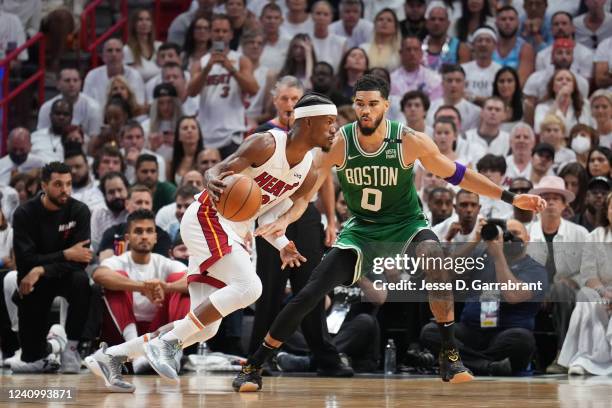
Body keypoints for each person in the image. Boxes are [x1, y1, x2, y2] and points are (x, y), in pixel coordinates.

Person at [236, 74, 546, 391]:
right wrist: (285, 220)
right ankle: (255, 363)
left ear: (386, 104)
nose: (365, 111)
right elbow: (305, 195)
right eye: (359, 105)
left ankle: (450, 355)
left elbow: (458, 175)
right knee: (310, 292)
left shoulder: (408, 139)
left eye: (372, 104)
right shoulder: (339, 142)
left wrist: (509, 197)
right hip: (361, 231)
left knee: (434, 258)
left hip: (406, 225)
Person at [86, 93, 339, 391]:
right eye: (330, 122)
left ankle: (113, 356)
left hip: (235, 231)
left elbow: (272, 213)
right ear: (308, 122)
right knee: (251, 288)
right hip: (208, 216)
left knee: (205, 327)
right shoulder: (267, 143)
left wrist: (282, 241)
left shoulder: (307, 171)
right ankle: (167, 343)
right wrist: (211, 174)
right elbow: (218, 169)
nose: (335, 129)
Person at [422, 219, 547, 376]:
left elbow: (512, 295)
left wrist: (498, 256)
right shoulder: (480, 257)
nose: (509, 239)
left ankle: (466, 362)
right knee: (432, 331)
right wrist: (474, 242)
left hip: (505, 334)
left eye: (515, 234)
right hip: (471, 332)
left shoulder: (536, 269)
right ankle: (487, 366)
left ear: (527, 238)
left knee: (522, 339)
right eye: (505, 234)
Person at [11, 162, 92, 373]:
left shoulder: (79, 211)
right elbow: (26, 261)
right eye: (58, 184)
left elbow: (81, 260)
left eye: (68, 184)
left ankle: (71, 349)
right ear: (44, 186)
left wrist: (42, 268)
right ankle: (54, 344)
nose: (65, 189)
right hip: (34, 281)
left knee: (82, 281)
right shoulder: (24, 214)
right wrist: (65, 253)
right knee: (31, 361)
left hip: (63, 275)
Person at [90, 209, 189, 378]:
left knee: (181, 286)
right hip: (121, 334)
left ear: (156, 237)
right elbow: (98, 275)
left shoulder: (165, 263)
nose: (144, 236)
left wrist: (167, 287)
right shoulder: (118, 261)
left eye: (149, 231)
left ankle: (171, 349)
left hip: (157, 331)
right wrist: (141, 287)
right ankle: (135, 354)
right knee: (114, 279)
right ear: (127, 238)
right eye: (138, 231)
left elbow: (193, 280)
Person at [526, 175, 589, 374]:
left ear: (564, 206)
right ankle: (521, 355)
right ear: (538, 205)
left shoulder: (580, 234)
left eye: (556, 198)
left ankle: (563, 355)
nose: (551, 201)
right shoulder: (526, 232)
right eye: (545, 197)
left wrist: (573, 281)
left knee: (561, 289)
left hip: (569, 292)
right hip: (533, 291)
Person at [188, 14, 259, 157]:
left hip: (232, 133)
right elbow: (191, 91)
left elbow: (253, 89)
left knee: (231, 178)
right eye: (216, 31)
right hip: (206, 133)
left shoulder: (241, 60)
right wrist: (207, 69)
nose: (220, 35)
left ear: (231, 34)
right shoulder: (200, 63)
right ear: (209, 34)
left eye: (224, 31)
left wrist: (230, 68)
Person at [558, 191, 612, 375]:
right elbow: (588, 273)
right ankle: (584, 358)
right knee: (585, 297)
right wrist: (603, 292)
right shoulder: (595, 236)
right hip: (601, 290)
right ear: (607, 211)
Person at [97, 185, 172, 261]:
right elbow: (105, 263)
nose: (143, 206)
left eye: (147, 203)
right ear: (127, 204)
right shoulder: (112, 233)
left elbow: (161, 265)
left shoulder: (162, 236)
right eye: (139, 202)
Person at [37, 68, 102, 141]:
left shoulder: (93, 107)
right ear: (58, 84)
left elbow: (94, 138)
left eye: (75, 80)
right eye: (67, 81)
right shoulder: (47, 108)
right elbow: (41, 136)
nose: (72, 84)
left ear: (81, 83)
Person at [83, 38, 146, 106]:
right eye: (109, 50)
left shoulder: (134, 75)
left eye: (118, 50)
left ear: (123, 56)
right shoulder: (92, 76)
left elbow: (139, 103)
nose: (114, 54)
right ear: (103, 56)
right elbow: (86, 104)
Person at [426, 64, 481, 132]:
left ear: (465, 84)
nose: (453, 85)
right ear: (442, 83)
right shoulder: (430, 108)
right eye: (449, 80)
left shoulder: (475, 112)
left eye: (458, 81)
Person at [421, 1, 470, 72]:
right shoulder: (417, 47)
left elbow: (463, 77)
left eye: (441, 19)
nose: (436, 23)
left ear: (448, 23)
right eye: (433, 19)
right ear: (426, 23)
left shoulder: (460, 48)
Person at [390, 36, 443, 101]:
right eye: (408, 49)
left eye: (416, 49)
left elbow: (435, 104)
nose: (412, 53)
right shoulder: (391, 79)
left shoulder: (434, 78)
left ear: (421, 53)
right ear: (401, 53)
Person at [493, 6, 535, 86]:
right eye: (503, 19)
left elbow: (521, 81)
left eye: (511, 19)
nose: (507, 22)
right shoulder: (490, 45)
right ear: (496, 23)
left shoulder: (525, 48)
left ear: (518, 23)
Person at [460, 26, 502, 106]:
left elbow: (500, 99)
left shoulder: (500, 70)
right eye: (479, 41)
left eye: (488, 41)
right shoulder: (462, 69)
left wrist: (474, 98)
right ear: (473, 45)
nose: (483, 44)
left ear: (495, 46)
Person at [31, 99, 72, 164]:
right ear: (50, 116)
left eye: (65, 114)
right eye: (57, 113)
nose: (61, 117)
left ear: (71, 118)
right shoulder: (34, 137)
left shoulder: (77, 139)